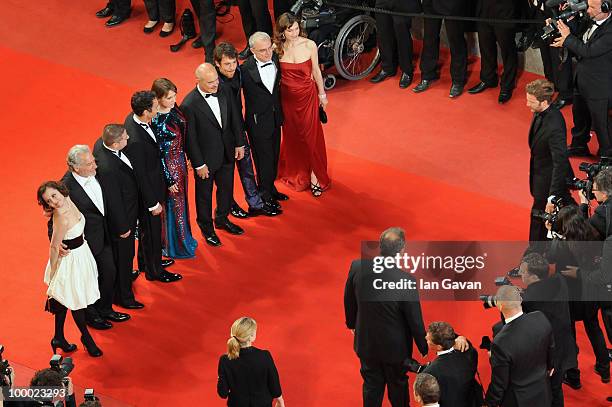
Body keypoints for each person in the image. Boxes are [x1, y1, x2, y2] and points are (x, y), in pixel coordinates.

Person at [344, 227, 428, 407]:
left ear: (380, 245)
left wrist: (351, 324)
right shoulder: (406, 280)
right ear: (402, 250)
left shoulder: (357, 266)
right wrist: (423, 345)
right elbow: (414, 319)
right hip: (395, 350)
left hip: (366, 344)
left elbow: (348, 298)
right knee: (398, 388)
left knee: (371, 386)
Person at [61, 145, 130, 329]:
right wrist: (57, 241)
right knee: (90, 278)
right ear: (76, 168)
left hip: (106, 233)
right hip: (85, 242)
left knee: (109, 272)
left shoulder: (95, 174)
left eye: (94, 161)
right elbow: (55, 220)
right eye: (90, 164)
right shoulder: (65, 189)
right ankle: (92, 317)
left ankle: (106, 309)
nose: (95, 166)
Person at [182, 63, 246, 247]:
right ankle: (206, 228)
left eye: (216, 80)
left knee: (226, 189)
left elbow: (235, 117)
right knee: (204, 196)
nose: (214, 85)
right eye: (210, 82)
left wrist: (239, 143)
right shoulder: (189, 104)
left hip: (227, 151)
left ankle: (222, 218)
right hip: (206, 161)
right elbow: (190, 139)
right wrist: (198, 164)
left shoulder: (224, 89)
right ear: (198, 81)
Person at [214, 42, 281, 217]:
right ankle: (228, 207)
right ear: (217, 63)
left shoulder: (239, 73)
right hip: (220, 136)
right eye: (227, 64)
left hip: (238, 129)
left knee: (247, 168)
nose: (231, 67)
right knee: (225, 176)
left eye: (234, 62)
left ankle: (255, 204)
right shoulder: (214, 84)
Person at [37, 181, 102, 357]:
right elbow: (53, 246)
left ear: (61, 191)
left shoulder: (69, 199)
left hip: (82, 254)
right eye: (48, 201)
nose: (53, 202)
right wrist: (53, 272)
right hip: (70, 260)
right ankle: (86, 338)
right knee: (76, 301)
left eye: (54, 196)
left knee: (66, 298)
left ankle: (58, 337)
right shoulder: (61, 216)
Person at [124, 91, 182, 283]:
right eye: (155, 107)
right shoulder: (136, 140)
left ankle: (146, 262)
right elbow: (140, 174)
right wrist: (152, 203)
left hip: (153, 186)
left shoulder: (133, 120)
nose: (158, 109)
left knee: (148, 233)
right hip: (149, 195)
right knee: (152, 233)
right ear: (146, 112)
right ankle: (154, 271)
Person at [550, 206, 611, 386]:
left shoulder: (562, 246)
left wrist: (551, 234)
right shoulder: (593, 236)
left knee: (569, 334)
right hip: (591, 293)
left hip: (570, 297)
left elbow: (552, 260)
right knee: (594, 327)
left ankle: (573, 375)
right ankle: (604, 367)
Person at [274, 13, 331, 197]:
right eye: (290, 30)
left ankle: (315, 174)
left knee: (311, 134)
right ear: (282, 31)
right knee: (293, 135)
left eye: (297, 28)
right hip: (287, 100)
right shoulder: (277, 48)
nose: (295, 33)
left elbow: (316, 70)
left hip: (308, 97)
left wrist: (322, 94)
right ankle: (297, 170)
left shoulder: (309, 45)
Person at [93, 125, 144, 310]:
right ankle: (124, 297)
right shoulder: (109, 168)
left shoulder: (101, 144)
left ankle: (122, 284)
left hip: (128, 213)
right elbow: (113, 200)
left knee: (123, 259)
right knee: (124, 258)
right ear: (115, 144)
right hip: (122, 223)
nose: (128, 138)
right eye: (124, 138)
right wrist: (123, 227)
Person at [551, 0, 612, 156]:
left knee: (601, 125)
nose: (588, 11)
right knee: (580, 118)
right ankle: (579, 146)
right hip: (582, 79)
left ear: (606, 8)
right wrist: (566, 26)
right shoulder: (590, 19)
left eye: (592, 7)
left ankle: (606, 156)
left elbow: (588, 51)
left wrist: (568, 39)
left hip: (599, 86)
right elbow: (578, 37)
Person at [519, 253, 577, 407]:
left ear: (533, 276)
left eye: (523, 272)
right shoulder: (559, 280)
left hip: (548, 355)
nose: (520, 274)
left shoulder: (529, 299)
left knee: (548, 391)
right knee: (556, 388)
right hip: (564, 345)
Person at [150, 78, 199, 259]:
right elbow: (159, 153)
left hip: (180, 163)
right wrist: (169, 179)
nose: (173, 100)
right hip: (169, 167)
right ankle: (173, 245)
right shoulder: (155, 121)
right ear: (158, 98)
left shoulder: (175, 109)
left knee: (181, 203)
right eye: (169, 97)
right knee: (173, 205)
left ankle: (183, 238)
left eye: (174, 96)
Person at [484, 286, 555, 407]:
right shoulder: (540, 317)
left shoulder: (500, 342)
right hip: (543, 393)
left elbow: (499, 384)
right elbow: (551, 348)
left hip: (518, 401)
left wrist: (489, 404)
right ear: (520, 300)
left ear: (500, 306)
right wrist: (550, 365)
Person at [525, 79, 575, 251]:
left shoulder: (554, 126)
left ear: (544, 102)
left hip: (549, 180)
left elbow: (560, 161)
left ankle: (532, 259)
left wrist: (551, 196)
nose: (527, 104)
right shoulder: (540, 112)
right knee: (567, 212)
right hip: (542, 175)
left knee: (538, 220)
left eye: (531, 102)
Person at [242, 33, 290, 208]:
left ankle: (271, 189)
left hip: (275, 118)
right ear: (252, 50)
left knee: (274, 156)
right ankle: (264, 194)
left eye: (269, 48)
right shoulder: (245, 69)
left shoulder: (275, 59)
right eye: (262, 51)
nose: (268, 53)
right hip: (257, 122)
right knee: (263, 160)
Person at [217, 317, 285, 407]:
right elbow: (274, 384)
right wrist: (280, 401)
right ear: (252, 336)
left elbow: (223, 393)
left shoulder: (225, 360)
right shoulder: (264, 356)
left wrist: (221, 379)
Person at [413, 0, 468, 98]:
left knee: (455, 38)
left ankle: (458, 79)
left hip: (452, 4)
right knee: (429, 37)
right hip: (430, 4)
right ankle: (428, 74)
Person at [468, 0, 519, 104]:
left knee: (507, 50)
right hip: (483, 11)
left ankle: (507, 85)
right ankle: (488, 79)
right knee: (485, 47)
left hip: (504, 11)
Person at [422, 322, 478, 407]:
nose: (425, 337)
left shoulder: (430, 372)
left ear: (439, 347)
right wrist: (460, 337)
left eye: (428, 339)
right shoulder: (470, 351)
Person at [369, 0, 421, 88]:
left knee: (402, 35)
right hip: (383, 2)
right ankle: (387, 68)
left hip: (403, 4)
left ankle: (406, 71)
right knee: (383, 33)